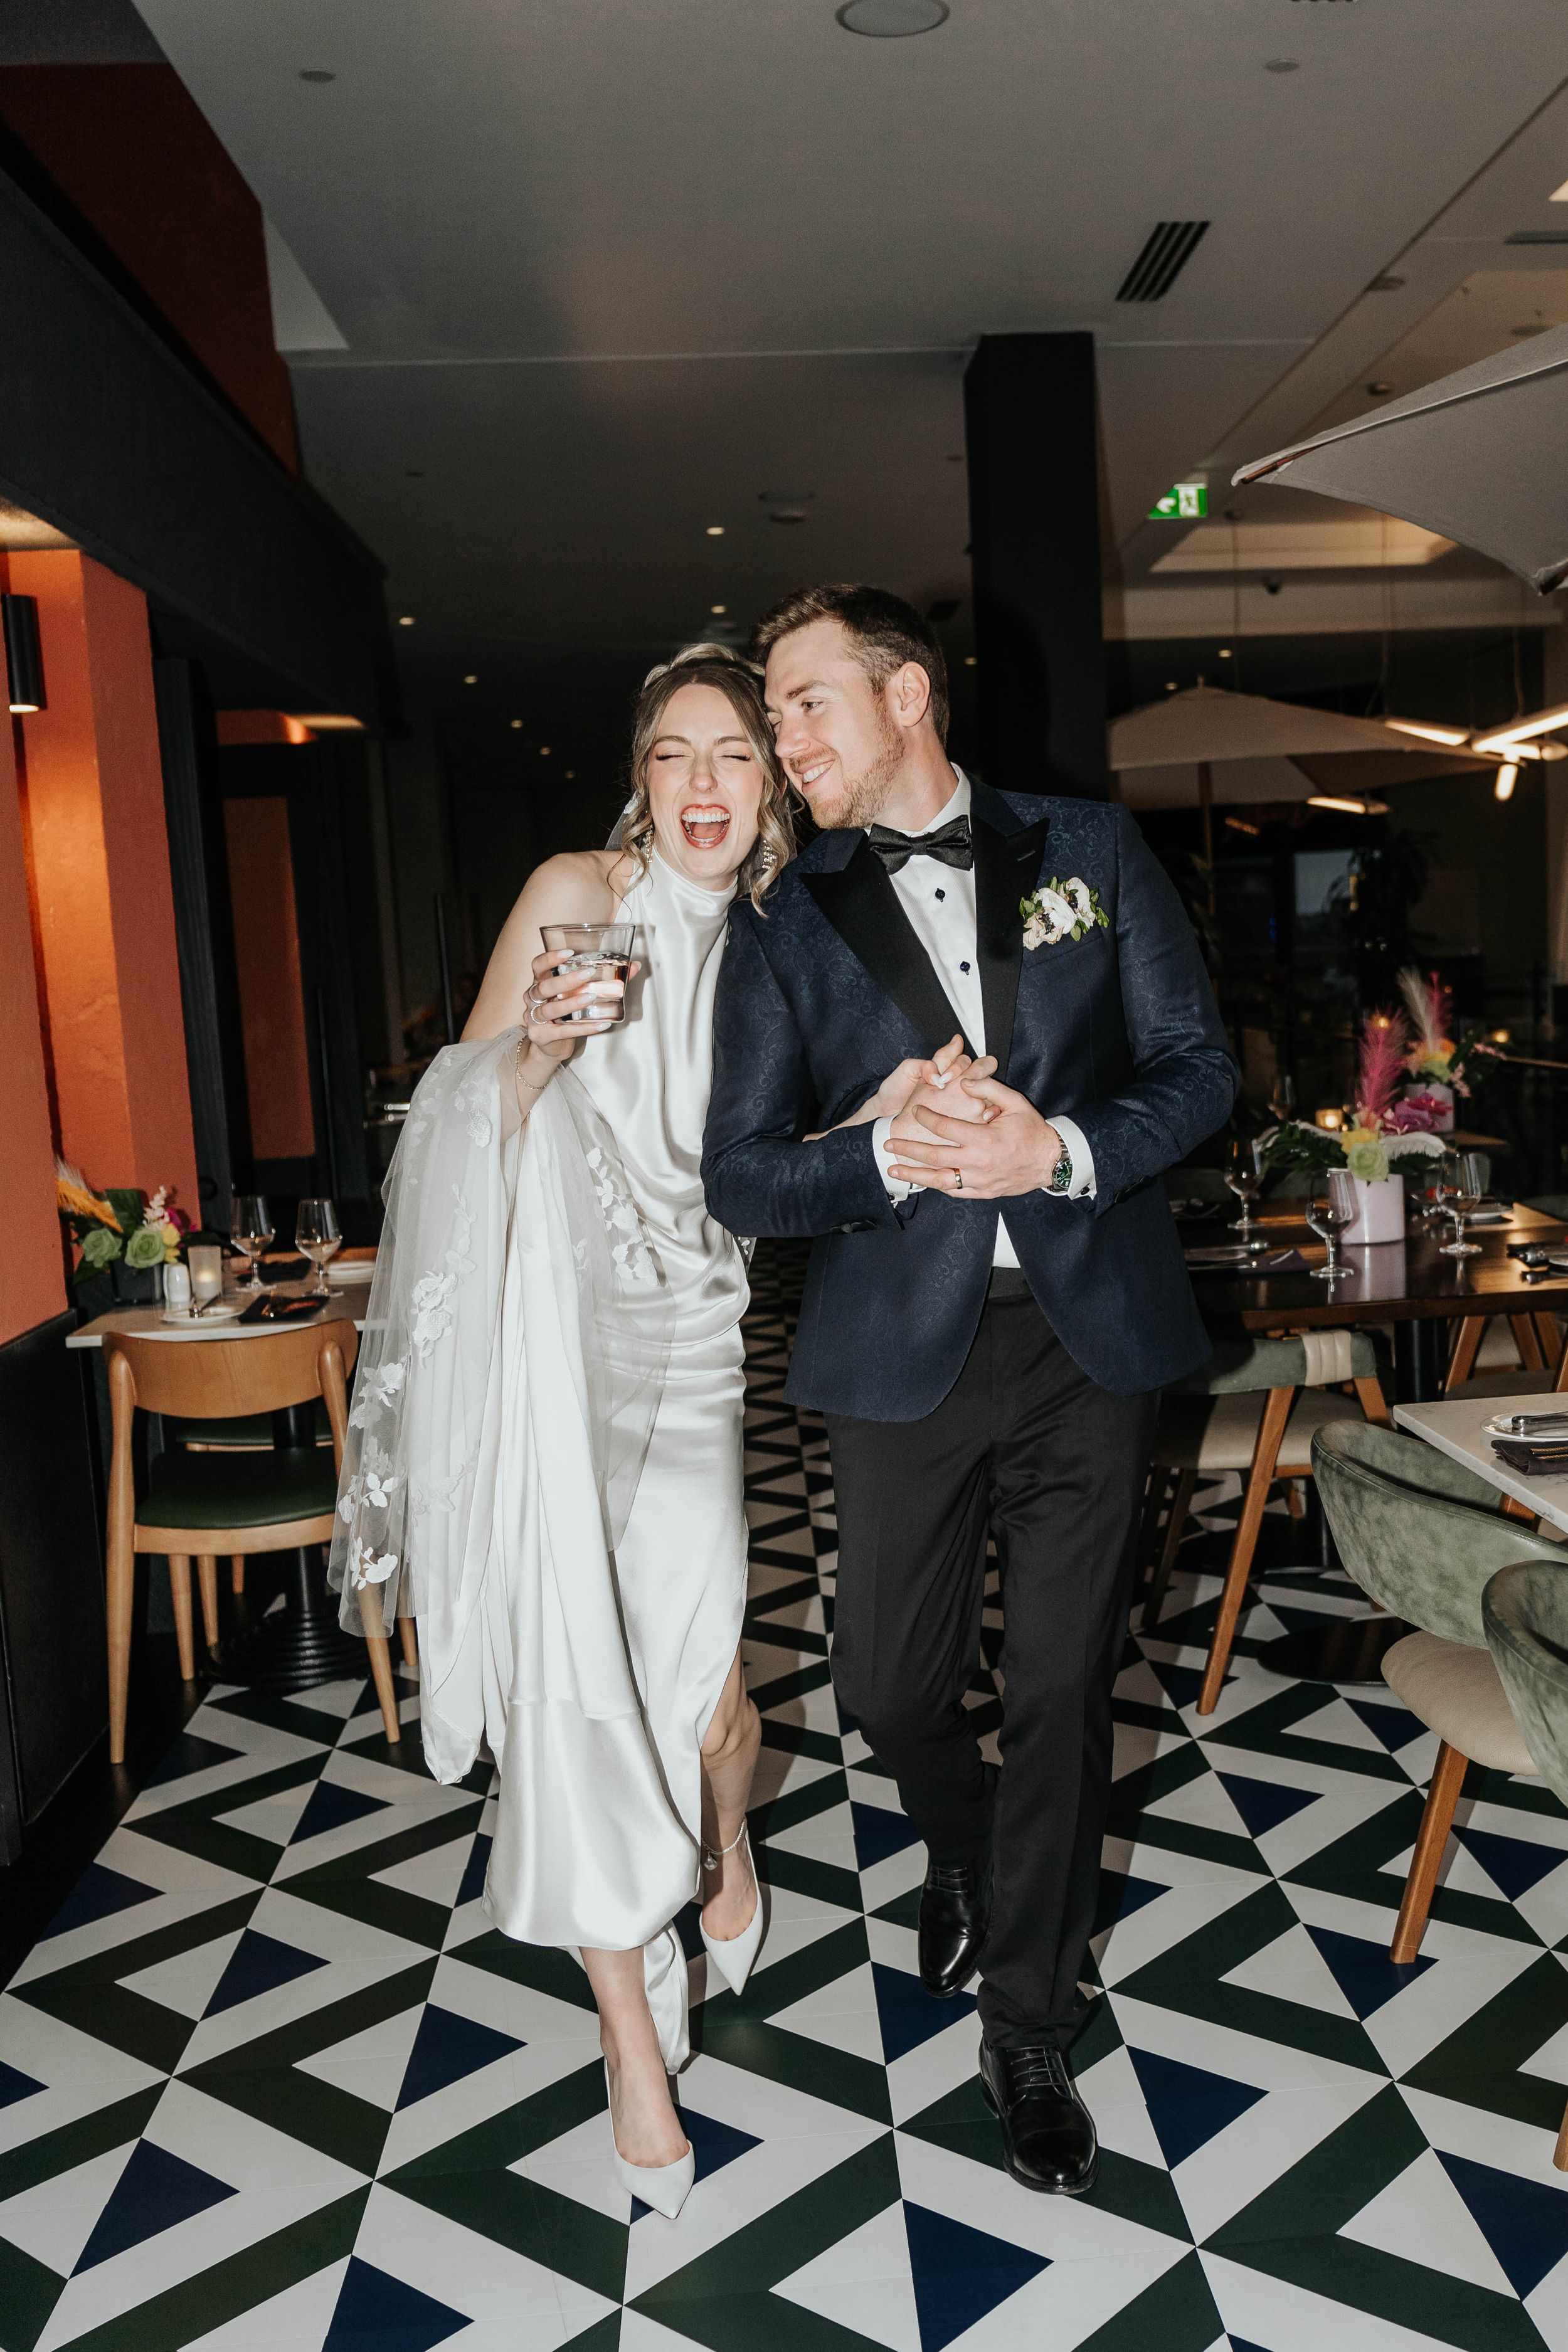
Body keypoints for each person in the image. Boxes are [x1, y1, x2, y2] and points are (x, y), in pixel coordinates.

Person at [331, 641, 963, 2220]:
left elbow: (782, 1157)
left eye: (732, 754)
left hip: (690, 1353)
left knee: (702, 1703)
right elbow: (451, 1111)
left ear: (770, 786)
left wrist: (883, 1116)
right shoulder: (576, 893)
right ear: (639, 772)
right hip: (556, 1350)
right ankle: (629, 2042)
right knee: (573, 1696)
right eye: (672, 752)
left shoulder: (784, 935)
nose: (700, 782)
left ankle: (723, 1850)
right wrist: (537, 1048)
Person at [701, 586, 1237, 2195]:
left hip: (1087, 1343)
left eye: (804, 704)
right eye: (773, 715)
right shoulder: (784, 917)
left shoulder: (1089, 850)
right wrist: (875, 1150)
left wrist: (1053, 1150)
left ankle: (1028, 2029)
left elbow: (1195, 1068)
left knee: (1064, 1691)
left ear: (905, 695)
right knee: (885, 1687)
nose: (784, 741)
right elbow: (740, 1173)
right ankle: (971, 1844)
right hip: (898, 1355)